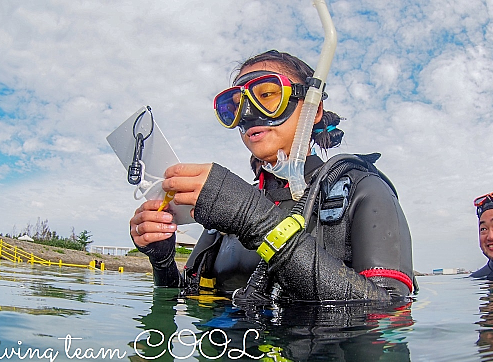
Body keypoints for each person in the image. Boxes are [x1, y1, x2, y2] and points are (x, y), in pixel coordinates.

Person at [130, 50, 415, 303]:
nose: (249, 113)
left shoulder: (363, 190)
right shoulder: (230, 208)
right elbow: (189, 297)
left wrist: (254, 218)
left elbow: (389, 311)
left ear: (313, 109)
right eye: (235, 104)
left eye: (267, 95)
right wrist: (163, 260)